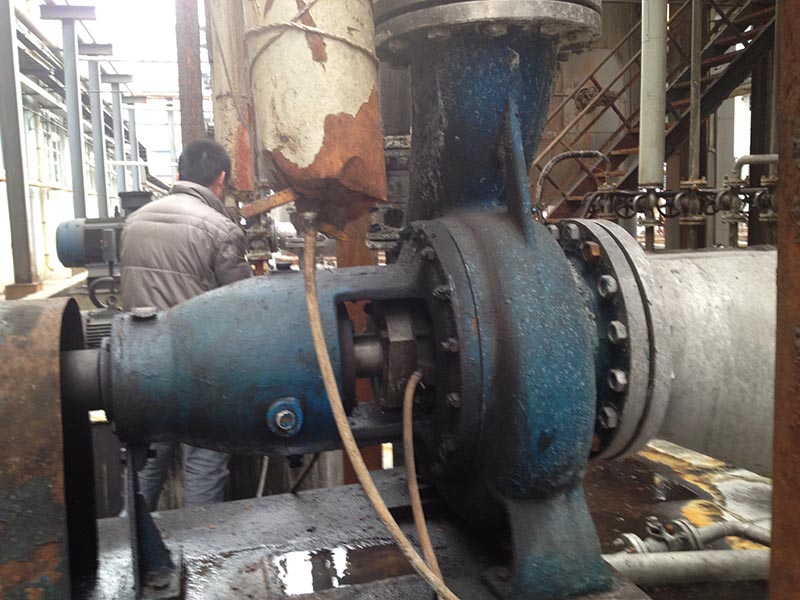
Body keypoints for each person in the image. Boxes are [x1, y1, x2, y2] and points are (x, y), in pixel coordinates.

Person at [120, 139, 252, 510]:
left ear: (179, 174)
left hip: (141, 365)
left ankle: (129, 538)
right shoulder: (221, 229)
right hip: (201, 367)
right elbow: (246, 305)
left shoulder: (134, 222)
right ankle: (201, 541)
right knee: (204, 465)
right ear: (221, 178)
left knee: (144, 467)